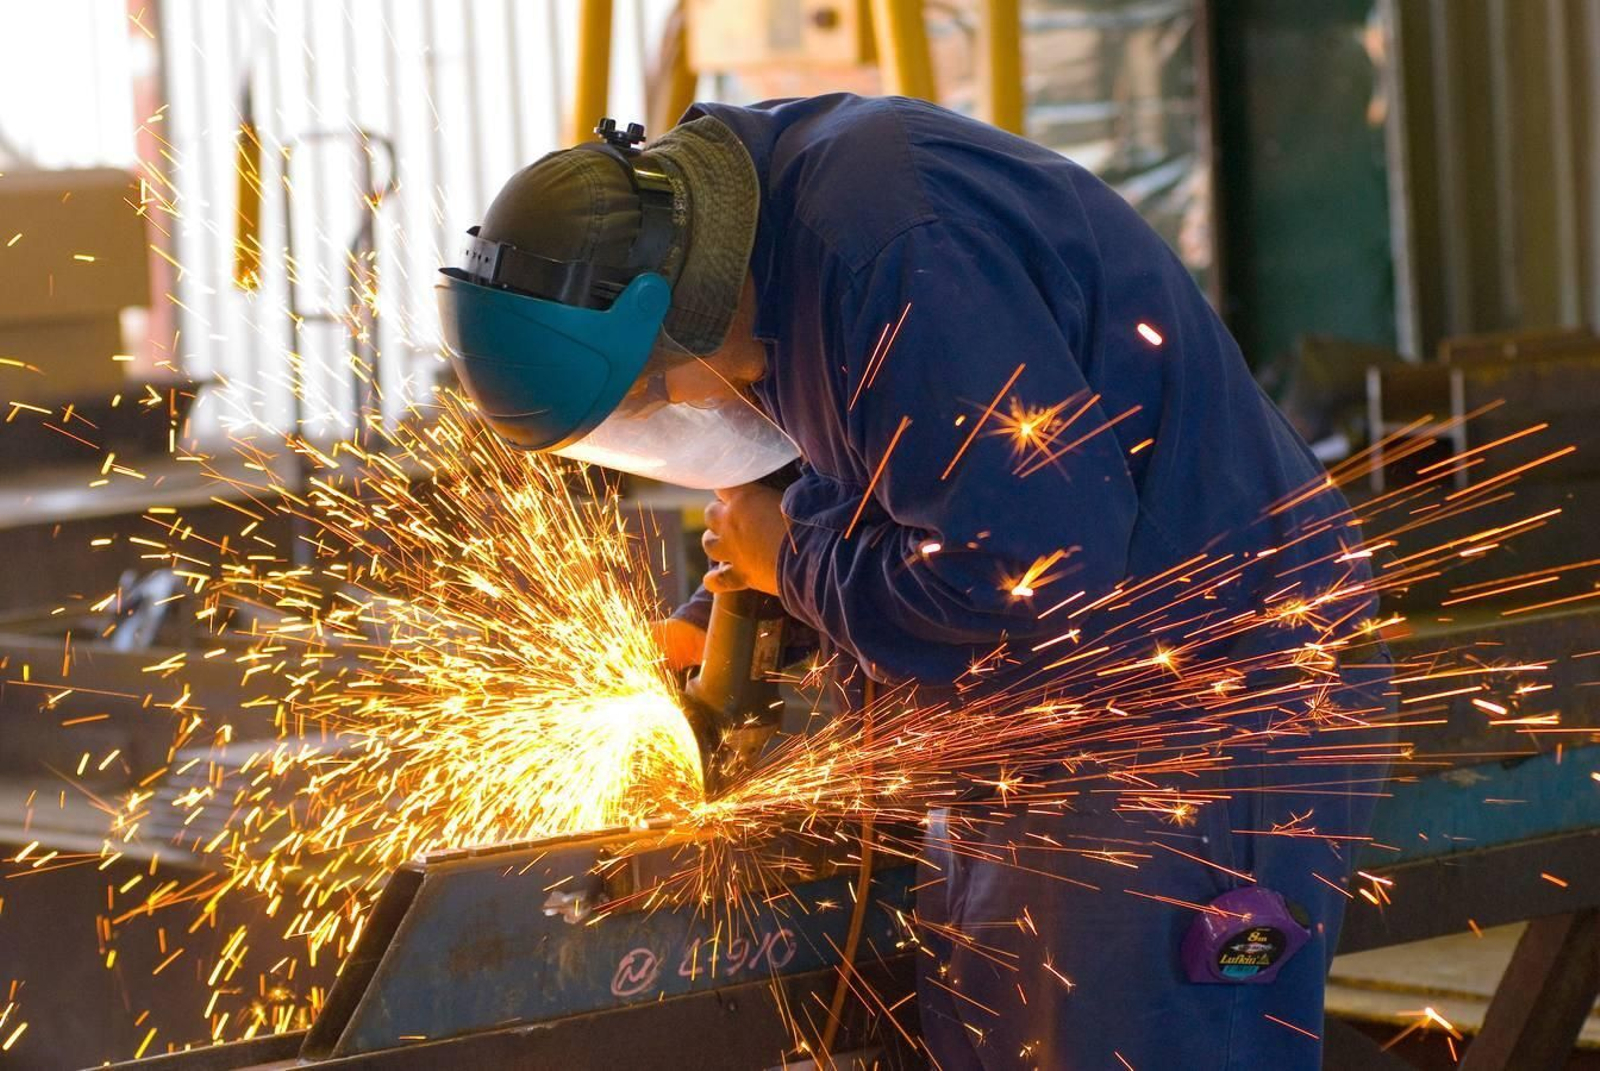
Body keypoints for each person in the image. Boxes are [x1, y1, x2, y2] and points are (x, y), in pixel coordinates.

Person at [437, 96, 1391, 1069]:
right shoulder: (758, 236)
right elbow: (896, 471)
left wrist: (793, 565)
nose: (680, 407)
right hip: (1046, 742)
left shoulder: (898, 256)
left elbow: (1033, 574)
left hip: (1194, 725)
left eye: (658, 390)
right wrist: (734, 611)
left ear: (671, 311)